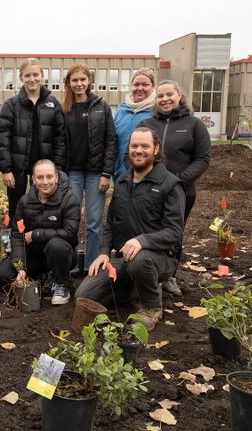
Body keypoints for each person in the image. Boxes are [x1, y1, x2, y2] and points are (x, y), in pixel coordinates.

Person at [74, 127, 185, 331]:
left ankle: (151, 306)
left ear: (156, 149)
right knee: (83, 296)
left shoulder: (170, 184)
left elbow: (174, 232)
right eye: (134, 146)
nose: (138, 150)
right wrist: (104, 253)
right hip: (121, 258)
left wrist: (142, 241)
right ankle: (136, 290)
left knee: (140, 260)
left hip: (157, 259)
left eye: (145, 146)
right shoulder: (123, 181)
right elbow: (111, 224)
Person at [137, 80, 211, 295]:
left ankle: (169, 276)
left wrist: (177, 181)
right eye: (160, 96)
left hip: (181, 191)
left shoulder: (194, 125)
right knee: (148, 231)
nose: (164, 99)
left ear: (179, 95)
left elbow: (202, 159)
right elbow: (134, 153)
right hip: (149, 190)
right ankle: (148, 273)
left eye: (169, 94)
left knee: (173, 234)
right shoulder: (146, 124)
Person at [0, 159, 79, 305]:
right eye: (40, 177)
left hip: (60, 255)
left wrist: (36, 234)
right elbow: (17, 234)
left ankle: (59, 284)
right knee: (2, 275)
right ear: (33, 179)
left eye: (49, 177)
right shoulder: (25, 201)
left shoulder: (69, 199)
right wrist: (20, 267)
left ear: (57, 177)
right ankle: (38, 278)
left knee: (56, 246)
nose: (45, 182)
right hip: (33, 255)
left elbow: (70, 232)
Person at [61, 64, 116, 271]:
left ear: (89, 81)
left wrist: (106, 173)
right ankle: (73, 265)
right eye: (74, 80)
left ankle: (93, 264)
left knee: (94, 222)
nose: (79, 84)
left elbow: (111, 140)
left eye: (82, 79)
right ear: (68, 83)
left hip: (96, 173)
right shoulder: (63, 108)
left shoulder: (101, 106)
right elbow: (60, 142)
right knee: (72, 221)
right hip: (72, 173)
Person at [0, 58, 66, 219]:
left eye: (36, 75)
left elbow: (60, 138)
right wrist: (6, 170)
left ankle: (38, 238)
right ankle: (16, 238)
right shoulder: (11, 105)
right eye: (27, 75)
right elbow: (3, 140)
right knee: (16, 208)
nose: (32, 79)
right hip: (17, 167)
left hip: (44, 168)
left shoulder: (53, 103)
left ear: (42, 76)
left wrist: (58, 168)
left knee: (43, 208)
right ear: (21, 78)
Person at [113, 68, 156, 180]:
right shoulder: (121, 110)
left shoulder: (157, 112)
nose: (140, 88)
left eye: (145, 84)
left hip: (148, 175)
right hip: (121, 174)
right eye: (136, 84)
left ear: (153, 87)